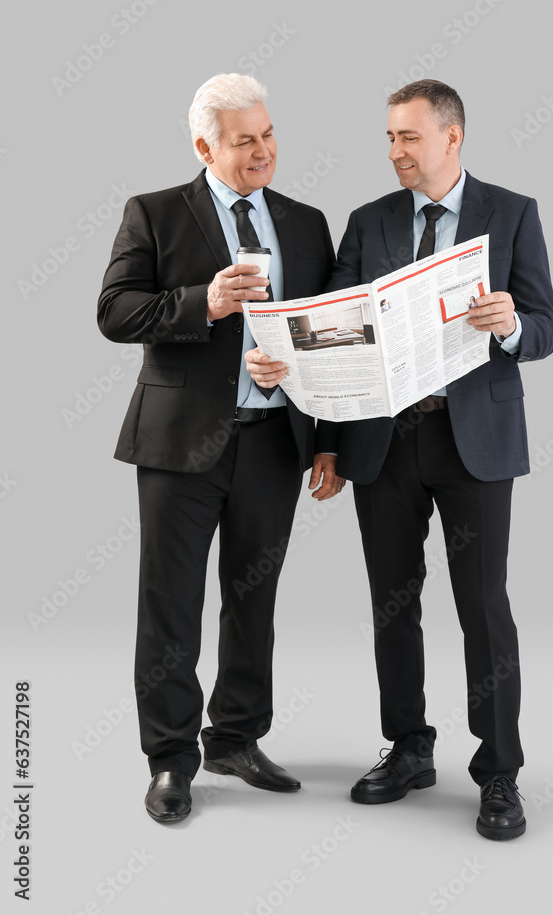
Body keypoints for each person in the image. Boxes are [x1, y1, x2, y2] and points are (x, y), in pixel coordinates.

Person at [246, 79, 553, 839]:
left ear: (452, 137)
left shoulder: (510, 214)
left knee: (483, 608)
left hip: (473, 442)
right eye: (388, 138)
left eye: (407, 138)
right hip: (382, 443)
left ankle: (500, 772)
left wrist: (512, 324)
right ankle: (408, 746)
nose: (394, 152)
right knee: (392, 603)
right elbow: (326, 329)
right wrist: (319, 431)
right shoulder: (370, 222)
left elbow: (545, 328)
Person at [97, 73, 343, 823]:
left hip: (273, 443)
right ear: (204, 145)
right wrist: (201, 304)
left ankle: (235, 737)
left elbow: (328, 335)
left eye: (269, 135)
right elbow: (115, 311)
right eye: (245, 141)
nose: (263, 151)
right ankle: (171, 760)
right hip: (178, 446)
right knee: (170, 605)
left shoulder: (304, 224)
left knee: (252, 600)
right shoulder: (155, 212)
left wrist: (321, 430)